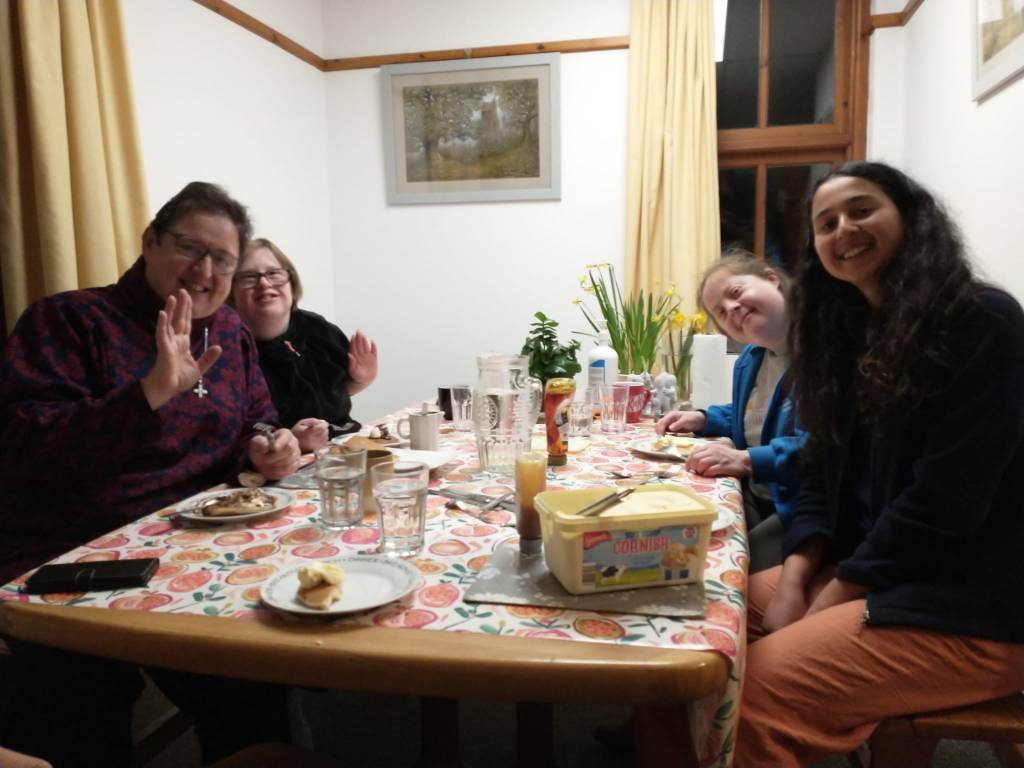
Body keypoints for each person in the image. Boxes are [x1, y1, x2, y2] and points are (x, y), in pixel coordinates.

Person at [731, 161, 1024, 765]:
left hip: (968, 604)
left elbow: (945, 502)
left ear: (911, 217)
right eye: (826, 223)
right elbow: (818, 472)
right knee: (699, 633)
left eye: (862, 210)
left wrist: (832, 596)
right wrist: (795, 581)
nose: (844, 229)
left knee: (747, 697)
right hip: (875, 573)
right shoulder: (849, 336)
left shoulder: (983, 320)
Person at [0, 181, 301, 765]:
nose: (204, 271)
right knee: (78, 711)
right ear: (150, 241)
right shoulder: (69, 319)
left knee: (253, 670)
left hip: (198, 550)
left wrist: (268, 445)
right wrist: (148, 394)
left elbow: (256, 418)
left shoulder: (229, 330)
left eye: (223, 260)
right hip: (73, 555)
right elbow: (24, 446)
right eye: (190, 247)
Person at [656, 252, 803, 572]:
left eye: (735, 292)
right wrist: (704, 418)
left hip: (796, 505)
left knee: (711, 562)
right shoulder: (751, 358)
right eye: (720, 312)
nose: (732, 308)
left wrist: (745, 460)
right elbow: (753, 414)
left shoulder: (819, 354)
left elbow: (821, 448)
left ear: (772, 280)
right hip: (754, 493)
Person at [230, 238, 378, 453]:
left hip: (342, 444)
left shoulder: (317, 328)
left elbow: (331, 393)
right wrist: (292, 440)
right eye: (249, 277)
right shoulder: (230, 348)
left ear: (292, 283)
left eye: (274, 274)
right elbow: (243, 430)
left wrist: (361, 380)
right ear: (230, 291)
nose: (264, 284)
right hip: (281, 460)